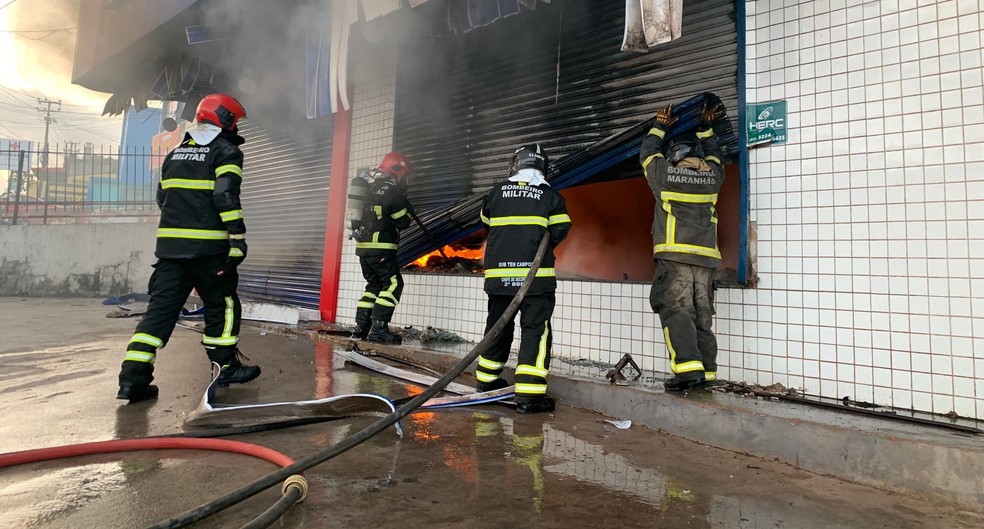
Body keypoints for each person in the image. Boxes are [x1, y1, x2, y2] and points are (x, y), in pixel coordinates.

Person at [117, 93, 260, 403]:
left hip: (170, 253)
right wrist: (237, 239)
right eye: (233, 120)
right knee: (222, 304)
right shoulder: (225, 152)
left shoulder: (175, 154)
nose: (235, 126)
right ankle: (226, 366)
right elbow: (226, 198)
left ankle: (133, 379)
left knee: (158, 314)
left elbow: (161, 198)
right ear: (224, 119)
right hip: (209, 252)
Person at [477, 143, 571, 414]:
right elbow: (561, 228)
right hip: (535, 282)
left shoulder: (495, 193)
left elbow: (486, 221)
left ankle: (486, 382)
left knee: (498, 327)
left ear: (516, 164)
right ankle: (529, 395)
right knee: (535, 331)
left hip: (499, 279)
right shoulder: (550, 197)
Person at [640, 101, 727, 391]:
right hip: (706, 260)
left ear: (674, 155)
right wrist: (706, 128)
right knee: (702, 316)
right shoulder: (712, 178)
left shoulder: (664, 174)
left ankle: (688, 374)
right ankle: (707, 374)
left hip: (674, 255)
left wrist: (660, 125)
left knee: (676, 311)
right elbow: (716, 156)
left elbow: (648, 154)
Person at [350, 152, 414, 344]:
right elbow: (403, 222)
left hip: (363, 249)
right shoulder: (392, 191)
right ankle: (379, 328)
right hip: (381, 249)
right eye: (404, 173)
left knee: (373, 286)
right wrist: (405, 202)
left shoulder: (369, 188)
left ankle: (361, 328)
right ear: (397, 170)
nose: (405, 178)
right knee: (393, 284)